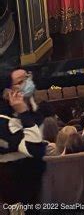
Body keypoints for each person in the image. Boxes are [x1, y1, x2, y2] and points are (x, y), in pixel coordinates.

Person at [0, 75, 47, 204]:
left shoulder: (32, 109)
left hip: (33, 181)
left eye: (27, 77)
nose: (27, 83)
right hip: (15, 185)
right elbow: (35, 149)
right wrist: (23, 112)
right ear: (7, 92)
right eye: (20, 82)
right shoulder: (4, 120)